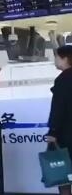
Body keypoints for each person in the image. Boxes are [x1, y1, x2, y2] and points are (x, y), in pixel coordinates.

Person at [47, 45, 72, 195]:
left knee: (63, 173)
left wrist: (53, 131)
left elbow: (59, 108)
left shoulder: (63, 80)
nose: (55, 60)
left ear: (65, 58)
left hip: (66, 135)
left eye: (56, 57)